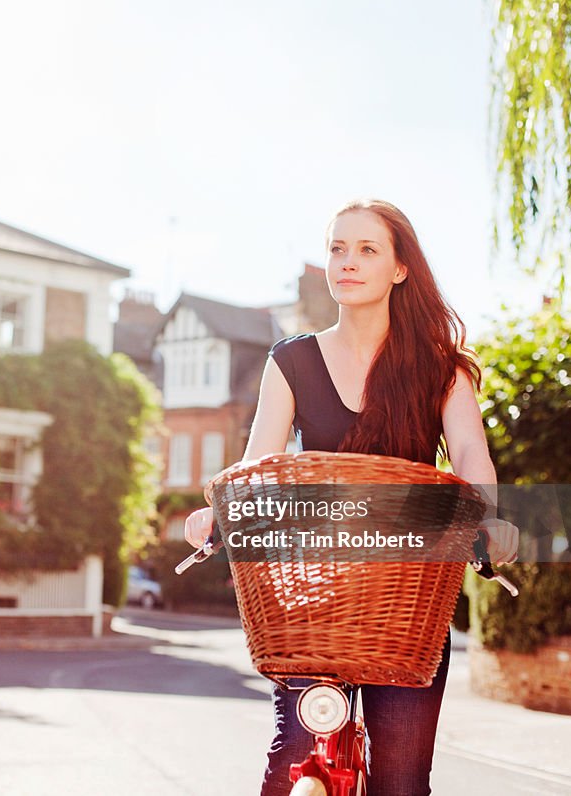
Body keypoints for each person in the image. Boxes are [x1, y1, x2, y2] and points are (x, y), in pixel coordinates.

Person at [183, 198, 518, 796]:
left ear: (399, 269)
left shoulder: (443, 368)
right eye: (338, 248)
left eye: (367, 249)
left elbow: (470, 455)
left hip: (408, 594)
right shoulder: (291, 361)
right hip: (313, 594)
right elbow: (259, 461)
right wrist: (222, 511)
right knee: (291, 757)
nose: (347, 262)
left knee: (402, 778)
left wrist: (488, 519)